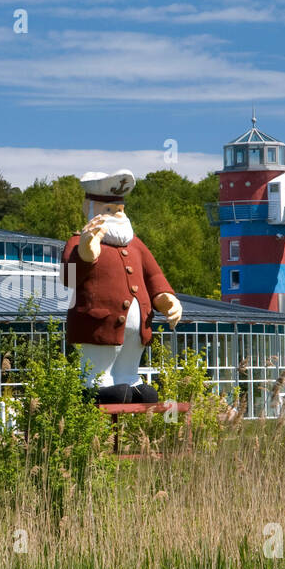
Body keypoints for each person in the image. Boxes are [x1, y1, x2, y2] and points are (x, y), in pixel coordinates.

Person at [61, 169, 182, 404]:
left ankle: (129, 378)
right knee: (100, 362)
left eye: (120, 209)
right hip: (98, 324)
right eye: (108, 210)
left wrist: (166, 297)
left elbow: (154, 276)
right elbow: (68, 277)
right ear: (89, 209)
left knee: (130, 362)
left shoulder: (136, 245)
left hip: (137, 329)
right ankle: (96, 384)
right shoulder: (78, 242)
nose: (116, 215)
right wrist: (85, 253)